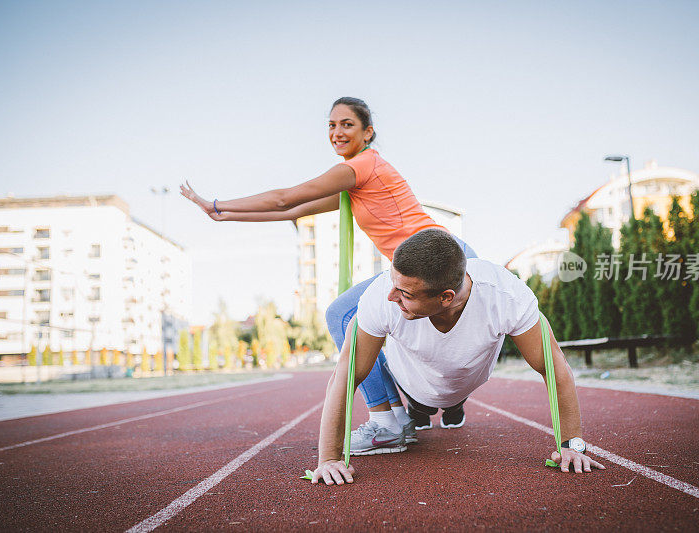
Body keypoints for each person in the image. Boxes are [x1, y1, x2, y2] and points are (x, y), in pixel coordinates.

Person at [180, 97, 477, 455]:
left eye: (347, 124)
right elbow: (296, 208)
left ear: (368, 132)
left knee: (341, 314)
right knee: (369, 322)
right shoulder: (355, 180)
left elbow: (283, 197)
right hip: (432, 258)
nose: (337, 132)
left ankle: (388, 422)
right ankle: (398, 417)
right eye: (331, 125)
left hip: (440, 257)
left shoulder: (361, 166)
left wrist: (217, 203)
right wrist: (226, 216)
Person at [311, 229, 605, 485]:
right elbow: (344, 376)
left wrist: (572, 446)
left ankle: (452, 408)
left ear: (446, 297)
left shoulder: (507, 296)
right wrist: (328, 458)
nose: (392, 297)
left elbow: (555, 369)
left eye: (405, 294)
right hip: (411, 382)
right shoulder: (381, 298)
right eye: (393, 285)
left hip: (464, 379)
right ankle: (416, 411)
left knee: (451, 399)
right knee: (420, 405)